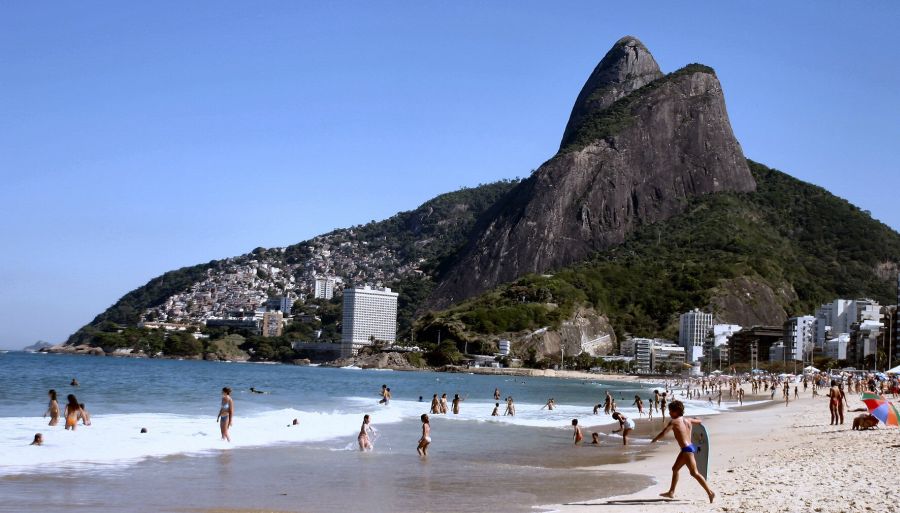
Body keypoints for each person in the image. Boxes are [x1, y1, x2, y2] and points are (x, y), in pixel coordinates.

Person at [650, 400, 715, 503]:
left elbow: (664, 432)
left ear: (676, 411)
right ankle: (671, 492)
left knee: (694, 473)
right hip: (688, 448)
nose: (669, 413)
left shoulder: (674, 422)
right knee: (675, 468)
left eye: (671, 411)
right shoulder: (688, 420)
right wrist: (697, 419)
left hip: (686, 450)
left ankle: (710, 492)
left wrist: (655, 439)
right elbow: (699, 421)